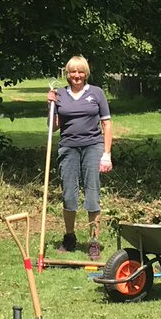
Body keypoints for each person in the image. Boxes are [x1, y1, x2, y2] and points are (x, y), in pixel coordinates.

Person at [45, 56, 113, 261]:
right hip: (68, 148)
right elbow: (53, 127)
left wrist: (106, 154)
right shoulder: (60, 95)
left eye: (80, 71)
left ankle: (94, 241)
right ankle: (69, 237)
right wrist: (49, 106)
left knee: (92, 193)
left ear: (86, 73)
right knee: (69, 194)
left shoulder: (96, 93)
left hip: (93, 147)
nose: (77, 75)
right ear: (67, 73)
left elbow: (107, 124)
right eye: (73, 72)